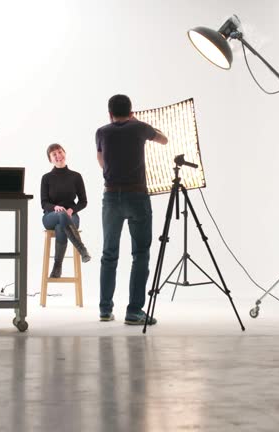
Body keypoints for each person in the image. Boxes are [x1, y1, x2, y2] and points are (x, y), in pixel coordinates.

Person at [96, 94, 168, 325]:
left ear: (109, 113)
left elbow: (102, 161)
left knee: (109, 254)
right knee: (140, 254)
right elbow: (164, 140)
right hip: (137, 195)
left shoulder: (102, 132)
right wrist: (140, 125)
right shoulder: (139, 128)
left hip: (111, 196)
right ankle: (134, 311)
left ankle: (105, 310)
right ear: (131, 111)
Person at [40, 143, 91, 278]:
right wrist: (55, 207)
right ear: (50, 159)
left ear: (65, 153)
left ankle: (57, 266)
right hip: (50, 216)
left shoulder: (76, 176)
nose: (58, 156)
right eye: (54, 154)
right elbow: (44, 203)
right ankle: (82, 249)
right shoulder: (46, 178)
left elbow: (83, 201)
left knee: (61, 226)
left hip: (70, 216)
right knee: (60, 217)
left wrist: (71, 210)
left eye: (59, 152)